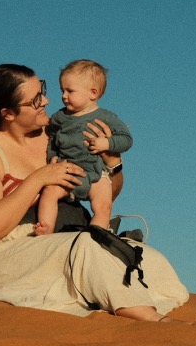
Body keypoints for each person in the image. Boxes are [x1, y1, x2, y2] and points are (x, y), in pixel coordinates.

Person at [0, 63, 196, 325]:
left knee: (144, 257)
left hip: (69, 237)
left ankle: (125, 303)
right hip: (10, 251)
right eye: (35, 100)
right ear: (7, 113)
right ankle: (154, 320)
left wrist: (113, 163)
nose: (47, 100)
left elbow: (106, 192)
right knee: (88, 248)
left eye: (42, 89)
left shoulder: (58, 133)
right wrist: (40, 178)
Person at [35, 59, 132, 236]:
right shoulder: (59, 118)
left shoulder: (106, 117)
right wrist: (52, 156)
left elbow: (126, 139)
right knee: (50, 192)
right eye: (62, 90)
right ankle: (45, 227)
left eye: (70, 91)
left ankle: (94, 236)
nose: (64, 96)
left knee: (103, 206)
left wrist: (107, 144)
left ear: (93, 93)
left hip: (96, 173)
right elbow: (52, 138)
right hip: (69, 172)